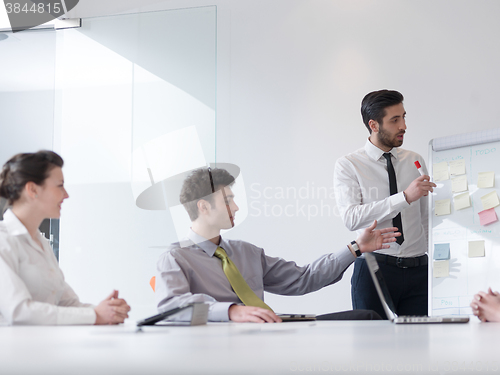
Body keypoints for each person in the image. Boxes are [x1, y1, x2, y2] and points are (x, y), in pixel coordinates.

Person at [155, 167, 400, 323]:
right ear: (203, 206)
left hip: (266, 332)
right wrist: (231, 311)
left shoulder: (245, 252)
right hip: (222, 345)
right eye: (228, 200)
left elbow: (304, 278)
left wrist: (356, 247)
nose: (237, 207)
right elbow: (172, 307)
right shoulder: (176, 258)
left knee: (365, 317)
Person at [334, 90, 436, 318]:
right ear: (374, 125)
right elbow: (351, 218)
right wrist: (404, 197)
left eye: (404, 117)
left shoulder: (414, 160)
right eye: (395, 120)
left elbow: (425, 217)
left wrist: (434, 259)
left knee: (419, 348)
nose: (404, 126)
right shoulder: (349, 165)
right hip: (374, 271)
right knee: (373, 350)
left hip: (419, 271)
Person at [0, 150, 131, 325]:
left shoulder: (41, 243)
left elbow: (67, 303)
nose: (66, 194)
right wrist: (96, 315)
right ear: (32, 189)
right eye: (60, 185)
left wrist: (108, 311)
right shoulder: (4, 240)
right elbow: (18, 311)